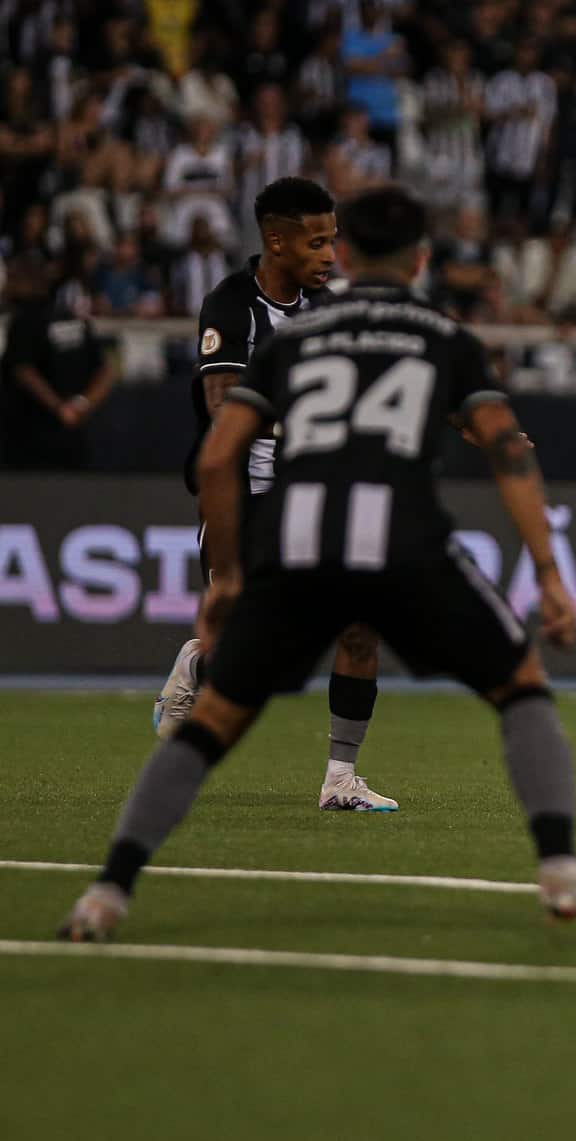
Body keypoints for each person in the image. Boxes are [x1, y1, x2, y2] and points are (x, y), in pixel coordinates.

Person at [58, 186, 576, 943]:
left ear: (351, 252)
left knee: (211, 728)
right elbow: (506, 448)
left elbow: (215, 453)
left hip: (299, 540)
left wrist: (232, 576)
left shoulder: (294, 339)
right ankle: (562, 866)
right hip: (402, 540)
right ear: (422, 259)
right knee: (522, 686)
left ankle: (107, 892)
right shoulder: (440, 331)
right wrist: (550, 571)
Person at [155, 178, 397, 817]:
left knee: (359, 624)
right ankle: (201, 666)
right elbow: (221, 404)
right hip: (244, 493)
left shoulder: (334, 307)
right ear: (276, 241)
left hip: (316, 493)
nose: (328, 254)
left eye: (334, 240)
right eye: (316, 242)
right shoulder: (232, 304)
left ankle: (341, 778)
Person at [1, 254, 114, 470]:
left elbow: (23, 371)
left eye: (12, 278)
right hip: (75, 437)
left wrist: (59, 407)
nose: (7, 284)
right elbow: (106, 372)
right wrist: (81, 405)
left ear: (27, 282)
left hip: (30, 439)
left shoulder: (25, 321)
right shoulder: (73, 317)